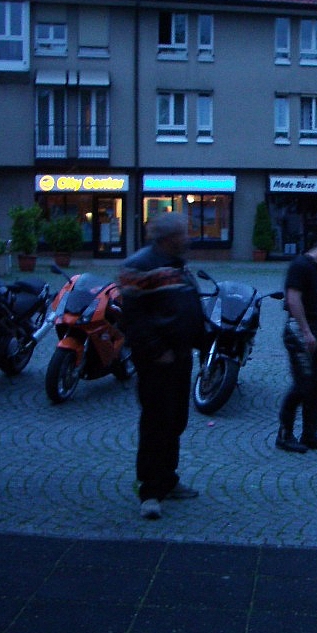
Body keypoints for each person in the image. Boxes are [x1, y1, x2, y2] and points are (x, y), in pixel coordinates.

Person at [119, 212, 205, 520]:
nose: (188, 238)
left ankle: (168, 479)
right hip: (157, 360)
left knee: (175, 420)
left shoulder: (176, 264)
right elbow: (133, 317)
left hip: (179, 356)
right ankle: (150, 492)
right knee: (156, 422)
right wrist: (156, 350)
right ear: (169, 238)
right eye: (184, 233)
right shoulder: (140, 265)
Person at [277, 236, 317, 453]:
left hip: (313, 328)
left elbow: (315, 296)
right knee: (302, 385)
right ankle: (284, 435)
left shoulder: (315, 269)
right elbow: (293, 299)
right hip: (299, 330)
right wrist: (305, 331)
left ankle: (309, 434)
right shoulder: (300, 266)